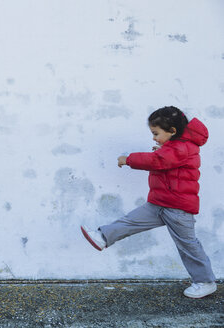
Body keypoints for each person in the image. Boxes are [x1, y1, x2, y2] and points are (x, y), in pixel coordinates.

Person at [81, 106, 216, 299]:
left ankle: (205, 281)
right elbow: (165, 158)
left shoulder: (182, 147)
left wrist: (128, 159)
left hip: (177, 208)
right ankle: (103, 237)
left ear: (172, 131)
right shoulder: (175, 146)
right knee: (132, 220)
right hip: (160, 202)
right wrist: (162, 148)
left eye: (156, 133)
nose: (154, 138)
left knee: (188, 245)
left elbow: (157, 161)